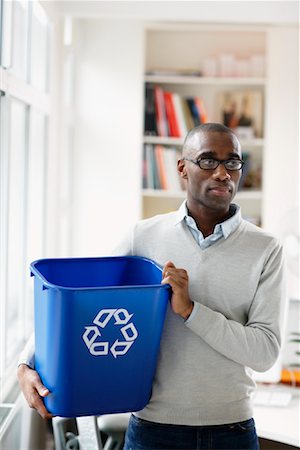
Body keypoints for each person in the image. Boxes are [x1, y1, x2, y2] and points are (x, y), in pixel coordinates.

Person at [18, 123, 285, 450]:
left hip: (232, 432)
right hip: (152, 431)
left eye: (232, 162)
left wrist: (191, 311)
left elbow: (265, 352)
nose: (222, 173)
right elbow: (77, 303)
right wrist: (26, 365)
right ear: (182, 168)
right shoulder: (142, 237)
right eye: (207, 161)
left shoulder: (265, 248)